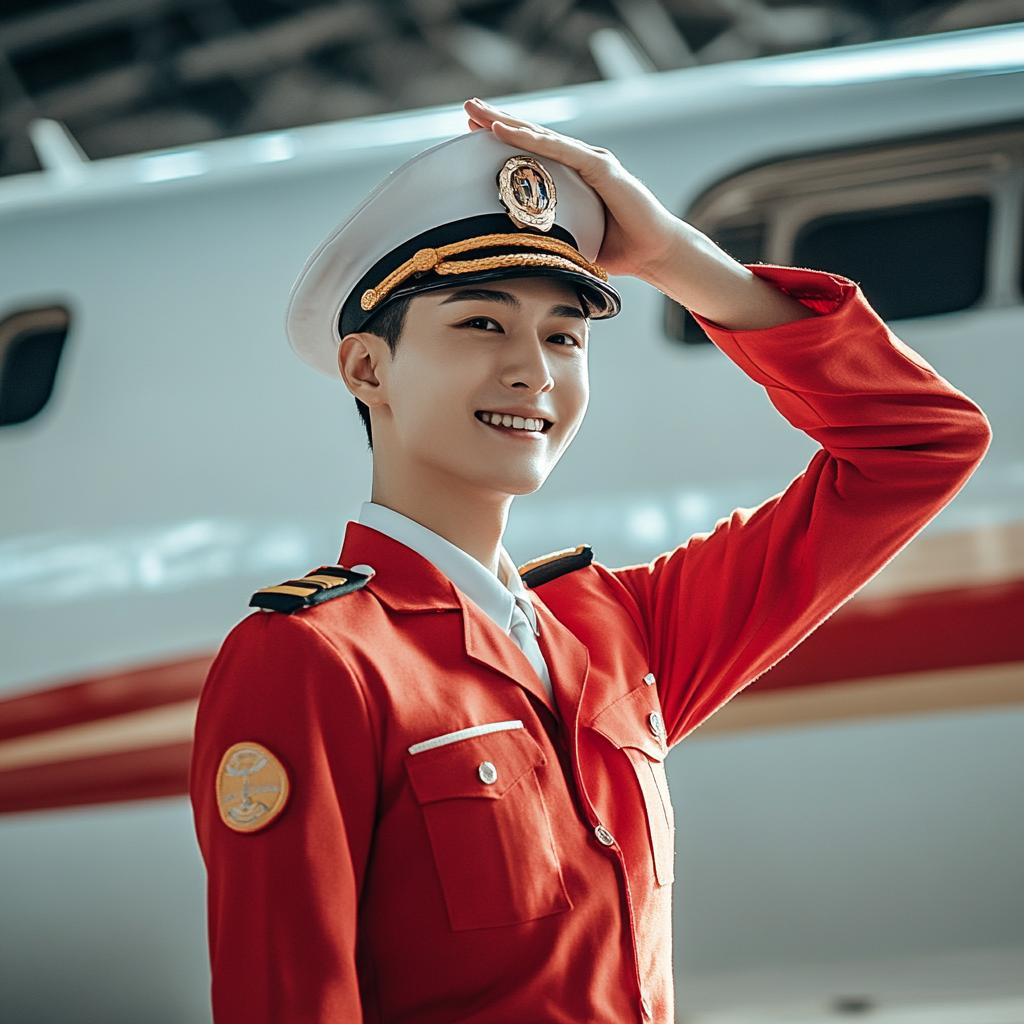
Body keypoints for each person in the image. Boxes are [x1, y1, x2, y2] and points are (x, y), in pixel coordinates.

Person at [190, 98, 990, 1024]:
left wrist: (672, 259)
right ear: (368, 369)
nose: (534, 369)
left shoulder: (616, 634)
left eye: (565, 336)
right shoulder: (313, 660)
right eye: (482, 326)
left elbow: (919, 444)